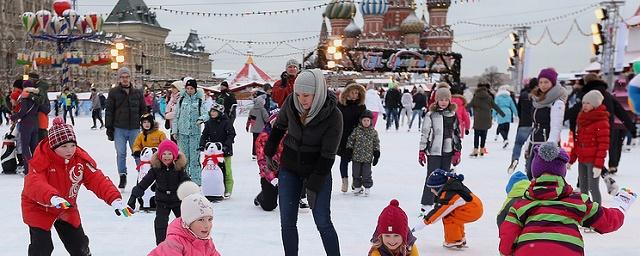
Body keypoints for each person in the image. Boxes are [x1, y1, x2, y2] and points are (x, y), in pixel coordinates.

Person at [498, 142, 636, 256]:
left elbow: (507, 238)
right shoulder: (576, 201)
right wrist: (620, 206)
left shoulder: (521, 205)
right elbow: (606, 221)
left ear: (535, 172)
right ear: (562, 172)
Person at [22, 117, 132, 255]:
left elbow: (97, 180)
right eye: (64, 146)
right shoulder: (42, 159)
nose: (70, 150)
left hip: (66, 206)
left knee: (79, 245)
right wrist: (53, 198)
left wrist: (115, 199)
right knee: (42, 247)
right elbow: (34, 184)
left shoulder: (79, 160)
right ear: (53, 146)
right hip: (38, 207)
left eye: (73, 145)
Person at [264, 69, 342, 255]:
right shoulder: (292, 103)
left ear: (318, 92)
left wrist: (314, 185)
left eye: (306, 95)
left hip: (318, 169)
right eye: (298, 94)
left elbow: (328, 155)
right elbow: (280, 126)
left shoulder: (333, 115)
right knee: (287, 222)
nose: (302, 99)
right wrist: (269, 150)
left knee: (323, 221)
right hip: (290, 167)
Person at [128, 139, 191, 245]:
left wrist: (193, 196)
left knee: (185, 223)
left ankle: (188, 243)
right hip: (162, 202)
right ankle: (161, 245)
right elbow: (145, 182)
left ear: (175, 155)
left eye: (170, 154)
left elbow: (187, 184)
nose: (167, 157)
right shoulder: (156, 168)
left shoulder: (179, 169)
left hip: (178, 201)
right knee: (160, 223)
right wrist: (133, 197)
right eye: (164, 154)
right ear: (160, 155)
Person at [417, 87, 462, 213]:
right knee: (432, 176)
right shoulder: (431, 115)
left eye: (446, 100)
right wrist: (422, 150)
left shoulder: (452, 115)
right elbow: (425, 133)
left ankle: (440, 202)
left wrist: (457, 151)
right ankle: (426, 204)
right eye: (441, 99)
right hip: (434, 151)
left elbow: (456, 134)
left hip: (448, 151)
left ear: (449, 101)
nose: (443, 102)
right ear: (436, 100)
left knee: (444, 177)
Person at [413, 169, 483, 248]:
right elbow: (440, 206)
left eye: (432, 188)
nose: (431, 190)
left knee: (448, 217)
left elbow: (439, 211)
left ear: (438, 187)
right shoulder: (451, 187)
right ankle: (460, 238)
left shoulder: (449, 194)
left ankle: (454, 240)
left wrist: (425, 222)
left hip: (472, 211)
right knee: (453, 216)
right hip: (473, 207)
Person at [149, 181, 221, 256]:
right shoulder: (175, 242)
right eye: (200, 220)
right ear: (188, 222)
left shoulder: (206, 241)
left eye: (210, 219)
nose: (207, 225)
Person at [105, 67, 147, 189]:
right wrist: (109, 128)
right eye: (122, 77)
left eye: (127, 77)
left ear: (130, 78)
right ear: (119, 78)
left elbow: (143, 110)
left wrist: (146, 126)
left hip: (134, 128)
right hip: (119, 128)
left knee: (137, 152)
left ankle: (142, 175)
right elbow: (109, 111)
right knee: (121, 153)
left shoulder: (137, 92)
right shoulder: (114, 92)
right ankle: (122, 176)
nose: (125, 79)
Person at [568, 90, 609, 204]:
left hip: (593, 160)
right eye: (584, 103)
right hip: (582, 159)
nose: (584, 105)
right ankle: (584, 208)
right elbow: (577, 141)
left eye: (588, 103)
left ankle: (597, 211)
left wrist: (598, 165)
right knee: (583, 187)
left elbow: (603, 145)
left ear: (595, 104)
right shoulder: (582, 118)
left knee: (593, 187)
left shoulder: (601, 121)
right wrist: (571, 160)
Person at [525, 68, 567, 179]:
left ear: (552, 83)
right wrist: (527, 145)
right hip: (534, 143)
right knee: (530, 175)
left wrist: (550, 146)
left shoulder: (556, 102)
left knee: (544, 178)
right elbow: (535, 125)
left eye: (546, 82)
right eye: (541, 82)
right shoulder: (537, 100)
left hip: (546, 144)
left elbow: (556, 126)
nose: (543, 85)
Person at [172, 79, 208, 184]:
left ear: (195, 89)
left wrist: (201, 119)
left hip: (194, 134)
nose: (189, 90)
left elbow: (206, 113)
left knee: (194, 159)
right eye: (187, 88)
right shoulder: (182, 100)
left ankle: (196, 181)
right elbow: (176, 116)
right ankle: (184, 180)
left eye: (191, 88)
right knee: (184, 159)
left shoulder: (200, 100)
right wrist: (175, 131)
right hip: (182, 133)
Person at [11, 81, 50, 173]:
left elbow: (23, 112)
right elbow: (45, 109)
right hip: (35, 124)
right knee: (34, 148)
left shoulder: (25, 97)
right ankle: (36, 167)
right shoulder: (36, 98)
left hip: (26, 125)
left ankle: (28, 169)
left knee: (25, 147)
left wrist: (14, 117)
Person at [200, 103, 236, 198]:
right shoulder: (209, 123)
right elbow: (204, 135)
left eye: (214, 111)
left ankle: (227, 189)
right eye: (211, 111)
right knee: (212, 170)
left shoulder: (226, 122)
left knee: (226, 170)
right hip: (212, 151)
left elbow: (231, 134)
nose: (212, 113)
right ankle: (213, 188)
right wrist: (202, 144)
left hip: (224, 151)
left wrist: (226, 145)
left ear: (219, 112)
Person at [337, 83, 366, 193]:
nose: (355, 95)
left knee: (356, 161)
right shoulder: (340, 105)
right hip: (343, 136)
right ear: (347, 92)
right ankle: (345, 181)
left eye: (357, 93)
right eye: (353, 92)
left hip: (357, 136)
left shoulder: (361, 106)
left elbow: (365, 119)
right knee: (344, 159)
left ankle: (356, 182)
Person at [344, 110, 380, 196]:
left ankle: (367, 187)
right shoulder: (357, 130)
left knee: (366, 173)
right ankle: (357, 187)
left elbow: (376, 143)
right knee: (356, 173)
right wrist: (349, 150)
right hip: (356, 157)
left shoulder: (373, 132)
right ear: (361, 121)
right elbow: (351, 140)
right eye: (364, 120)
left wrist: (376, 153)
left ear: (371, 121)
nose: (366, 122)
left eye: (368, 120)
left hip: (367, 158)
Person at [508, 78, 537, 173]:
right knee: (530, 147)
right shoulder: (539, 96)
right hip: (534, 124)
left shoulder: (523, 95)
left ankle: (515, 159)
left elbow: (519, 109)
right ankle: (528, 165)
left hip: (523, 123)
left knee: (518, 144)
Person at [469, 83, 504, 157]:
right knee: (484, 134)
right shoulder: (489, 97)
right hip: (486, 118)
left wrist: (463, 109)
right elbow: (495, 106)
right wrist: (502, 114)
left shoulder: (476, 97)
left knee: (476, 134)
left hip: (478, 118)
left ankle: (475, 150)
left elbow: (469, 105)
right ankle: (482, 149)